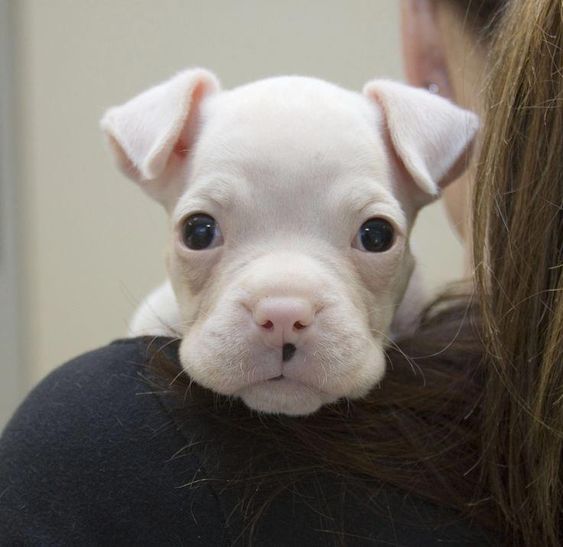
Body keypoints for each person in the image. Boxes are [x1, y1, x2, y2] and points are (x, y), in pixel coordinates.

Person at [0, 0, 560, 544]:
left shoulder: (92, 448)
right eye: (203, 232)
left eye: (372, 236)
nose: (284, 313)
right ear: (158, 162)